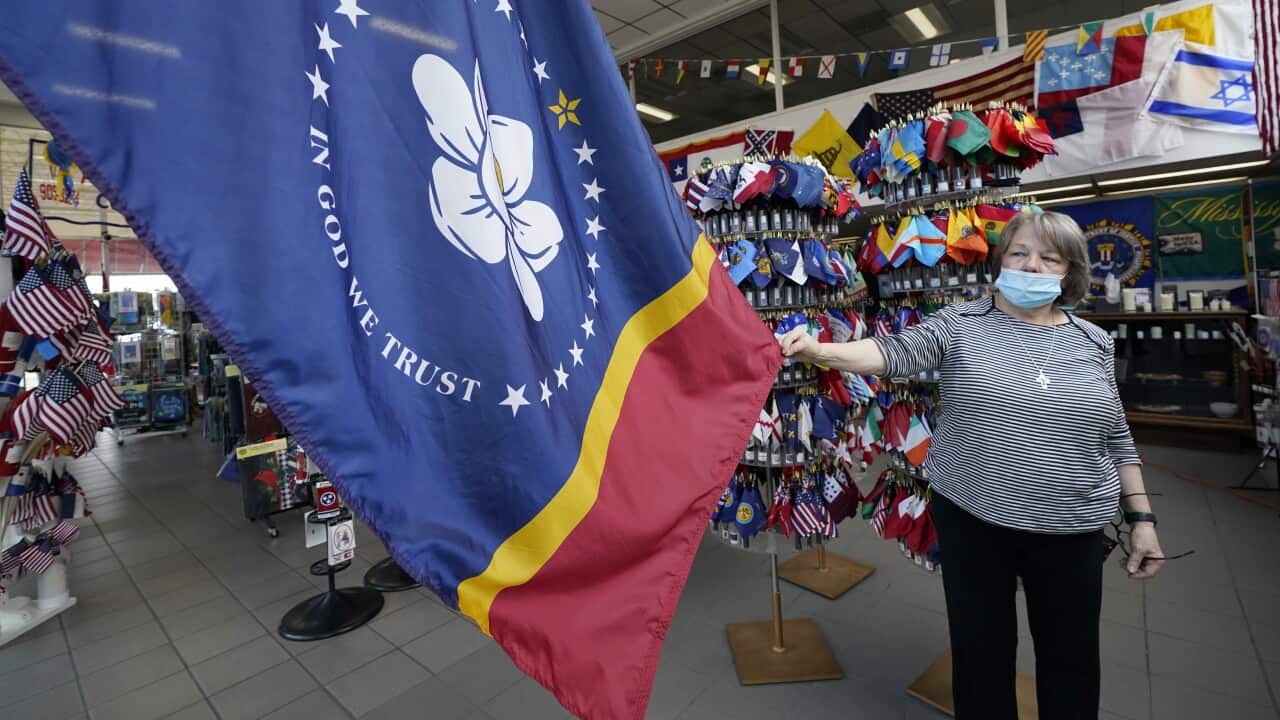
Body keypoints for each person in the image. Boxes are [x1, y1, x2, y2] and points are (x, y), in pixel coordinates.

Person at [779, 210, 1165, 720]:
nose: (1031, 266)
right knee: (981, 656)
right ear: (1000, 260)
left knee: (1071, 661)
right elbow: (890, 352)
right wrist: (820, 350)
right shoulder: (960, 323)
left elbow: (1116, 436)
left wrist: (1142, 521)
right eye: (1019, 253)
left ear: (1069, 272)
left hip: (1070, 529)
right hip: (975, 521)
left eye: (1048, 258)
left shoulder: (1091, 341)